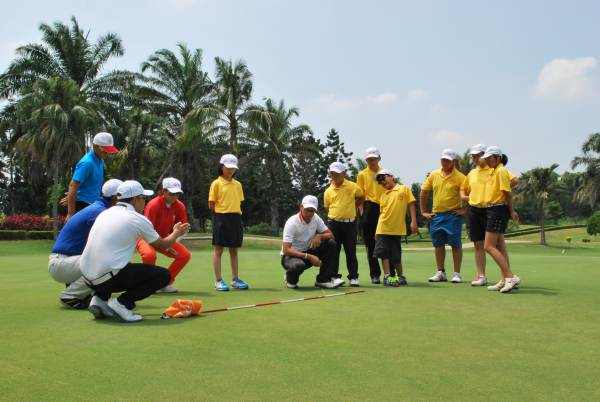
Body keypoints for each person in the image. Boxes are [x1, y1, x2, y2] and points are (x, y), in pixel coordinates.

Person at [81, 180, 190, 322]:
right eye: (143, 198)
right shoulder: (136, 218)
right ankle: (122, 304)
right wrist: (176, 233)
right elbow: (162, 246)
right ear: (134, 200)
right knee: (163, 275)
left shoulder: (105, 213)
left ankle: (99, 301)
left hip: (87, 278)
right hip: (107, 278)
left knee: (117, 264)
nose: (145, 201)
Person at [48, 179, 122, 309]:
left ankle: (77, 291)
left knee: (106, 261)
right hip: (61, 264)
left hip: (67, 262)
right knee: (105, 262)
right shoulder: (100, 212)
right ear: (116, 199)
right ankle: (71, 295)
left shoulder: (99, 208)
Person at [460, 144, 519, 286]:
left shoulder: (496, 169)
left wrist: (500, 191)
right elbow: (463, 188)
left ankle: (507, 277)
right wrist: (466, 198)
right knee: (478, 243)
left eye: (478, 156)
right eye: (473, 157)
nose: (475, 159)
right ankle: (483, 276)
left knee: (497, 244)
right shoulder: (473, 172)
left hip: (491, 209)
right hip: (475, 209)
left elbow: (514, 180)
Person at [136, 177, 190, 293]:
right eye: (172, 193)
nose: (175, 197)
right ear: (164, 191)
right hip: (145, 237)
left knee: (184, 255)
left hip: (164, 237)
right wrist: (165, 244)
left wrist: (170, 242)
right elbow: (147, 230)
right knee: (150, 256)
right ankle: (147, 284)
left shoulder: (179, 206)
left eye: (177, 194)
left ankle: (164, 283)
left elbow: (183, 229)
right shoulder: (153, 205)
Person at [420, 149, 467, 283]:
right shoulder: (434, 174)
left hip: (453, 214)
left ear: (454, 161)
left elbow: (472, 194)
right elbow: (424, 192)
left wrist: (465, 211)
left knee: (455, 244)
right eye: (443, 159)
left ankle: (456, 273)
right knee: (438, 244)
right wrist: (424, 212)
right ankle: (441, 272)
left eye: (447, 160)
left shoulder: (460, 177)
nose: (444, 162)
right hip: (436, 215)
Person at [481, 146, 521, 293]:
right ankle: (505, 279)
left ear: (498, 157)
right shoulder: (493, 171)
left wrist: (512, 212)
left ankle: (511, 277)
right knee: (499, 246)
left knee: (488, 246)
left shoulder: (502, 171)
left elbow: (508, 194)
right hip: (493, 209)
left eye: (489, 158)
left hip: (498, 209)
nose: (486, 161)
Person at [281, 195, 340, 289]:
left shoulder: (315, 218)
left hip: (307, 253)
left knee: (331, 244)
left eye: (312, 210)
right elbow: (286, 250)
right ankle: (290, 279)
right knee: (298, 265)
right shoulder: (292, 222)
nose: (309, 213)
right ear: (301, 207)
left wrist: (319, 236)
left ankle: (323, 280)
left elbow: (331, 236)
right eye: (307, 209)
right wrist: (309, 256)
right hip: (290, 256)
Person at [209, 154, 248, 291]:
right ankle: (218, 280)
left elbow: (238, 202)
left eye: (233, 168)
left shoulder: (238, 184)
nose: (231, 170)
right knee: (219, 249)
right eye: (228, 167)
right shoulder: (216, 183)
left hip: (236, 218)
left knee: (234, 250)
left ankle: (235, 279)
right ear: (222, 167)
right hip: (222, 217)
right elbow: (211, 204)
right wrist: (223, 211)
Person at [373, 170, 418, 287]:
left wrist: (413, 221)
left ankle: (401, 276)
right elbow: (381, 214)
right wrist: (377, 230)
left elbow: (411, 204)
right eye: (380, 181)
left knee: (396, 254)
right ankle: (387, 277)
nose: (382, 182)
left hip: (397, 229)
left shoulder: (404, 189)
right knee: (384, 253)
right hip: (383, 228)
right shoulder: (383, 196)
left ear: (391, 177)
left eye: (383, 178)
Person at [357, 147, 393, 284]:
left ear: (379, 158)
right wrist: (362, 211)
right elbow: (361, 194)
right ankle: (375, 274)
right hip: (369, 207)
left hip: (385, 207)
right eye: (370, 159)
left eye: (375, 159)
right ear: (366, 160)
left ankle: (391, 274)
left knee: (388, 241)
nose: (372, 161)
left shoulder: (385, 173)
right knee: (370, 244)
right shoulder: (361, 174)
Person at [64, 132, 119, 222]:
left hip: (93, 204)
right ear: (95, 146)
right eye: (105, 150)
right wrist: (70, 213)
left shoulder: (100, 161)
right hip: (82, 206)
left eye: (109, 151)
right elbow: (73, 186)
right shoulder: (87, 163)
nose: (107, 153)